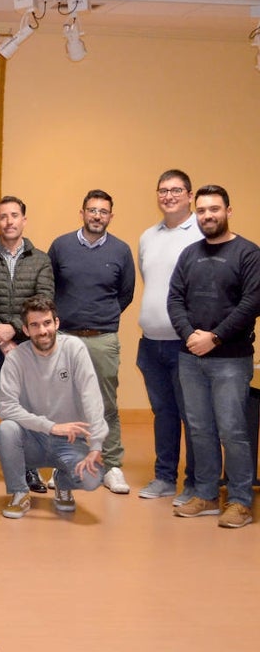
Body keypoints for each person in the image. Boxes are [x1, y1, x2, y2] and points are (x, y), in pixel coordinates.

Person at [169, 185, 260, 529]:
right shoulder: (190, 254)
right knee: (199, 429)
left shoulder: (248, 254)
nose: (208, 216)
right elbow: (175, 298)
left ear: (228, 211)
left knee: (232, 430)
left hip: (231, 359)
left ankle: (239, 500)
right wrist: (189, 335)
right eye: (202, 210)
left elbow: (252, 303)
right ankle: (206, 494)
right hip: (190, 356)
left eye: (214, 209)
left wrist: (215, 337)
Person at [48, 189, 135, 495]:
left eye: (103, 211)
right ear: (82, 213)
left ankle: (111, 465)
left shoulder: (121, 251)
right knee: (65, 404)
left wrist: (101, 317)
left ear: (110, 216)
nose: (97, 216)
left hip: (103, 339)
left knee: (106, 405)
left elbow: (125, 294)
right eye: (92, 210)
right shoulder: (61, 246)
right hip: (66, 338)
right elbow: (50, 289)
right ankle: (66, 463)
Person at [0, 296, 107, 519]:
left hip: (70, 440)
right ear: (25, 330)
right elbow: (6, 407)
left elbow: (91, 395)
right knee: (6, 430)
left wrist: (96, 444)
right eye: (34, 325)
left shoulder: (75, 349)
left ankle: (62, 481)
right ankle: (19, 493)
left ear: (56, 323)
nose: (42, 330)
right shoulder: (16, 358)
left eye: (47, 323)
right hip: (31, 439)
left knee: (93, 478)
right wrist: (51, 427)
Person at [0, 195, 53, 492]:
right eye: (3, 216)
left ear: (24, 220)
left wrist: (15, 332)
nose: (9, 221)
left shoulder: (41, 259)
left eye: (14, 215)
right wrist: (0, 334)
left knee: (27, 407)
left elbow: (43, 301)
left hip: (28, 347)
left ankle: (30, 469)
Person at [136, 170, 202, 503]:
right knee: (163, 413)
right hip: (151, 343)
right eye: (163, 190)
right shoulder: (148, 236)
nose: (169, 195)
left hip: (186, 344)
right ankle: (164, 477)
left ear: (190, 195)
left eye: (176, 190)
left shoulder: (201, 233)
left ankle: (193, 483)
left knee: (192, 415)